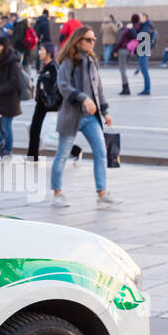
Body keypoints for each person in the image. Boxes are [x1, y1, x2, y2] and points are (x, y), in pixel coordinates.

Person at [50, 25, 120, 208]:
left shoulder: (92, 60)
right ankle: (57, 192)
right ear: (78, 41)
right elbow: (63, 85)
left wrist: (105, 110)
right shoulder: (69, 60)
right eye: (89, 40)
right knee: (63, 154)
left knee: (101, 152)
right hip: (71, 116)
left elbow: (99, 89)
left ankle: (102, 192)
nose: (92, 43)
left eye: (94, 39)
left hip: (90, 118)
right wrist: (83, 99)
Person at [115, 15, 137, 94]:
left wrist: (115, 50)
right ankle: (125, 87)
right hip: (129, 51)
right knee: (123, 69)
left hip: (122, 50)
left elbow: (120, 42)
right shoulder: (133, 30)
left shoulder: (125, 31)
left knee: (122, 69)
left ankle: (126, 87)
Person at [135, 12, 155, 95]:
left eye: (140, 17)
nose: (139, 19)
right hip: (142, 49)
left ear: (145, 18)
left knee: (144, 70)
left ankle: (147, 89)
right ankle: (146, 89)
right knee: (143, 70)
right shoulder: (144, 25)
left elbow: (138, 36)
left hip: (144, 49)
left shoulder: (147, 26)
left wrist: (131, 30)